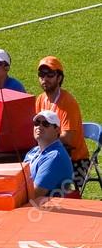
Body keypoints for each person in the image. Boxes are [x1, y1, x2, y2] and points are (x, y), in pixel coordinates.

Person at [36, 56, 89, 188]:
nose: (45, 78)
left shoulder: (68, 103)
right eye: (41, 74)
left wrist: (45, 139)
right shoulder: (40, 99)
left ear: (59, 78)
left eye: (50, 74)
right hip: (47, 153)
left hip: (75, 160)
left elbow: (68, 138)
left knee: (46, 185)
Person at [24, 110, 77, 199]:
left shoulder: (55, 157)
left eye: (45, 124)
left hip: (45, 210)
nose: (39, 127)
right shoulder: (33, 151)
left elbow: (35, 194)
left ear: (57, 130)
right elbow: (20, 179)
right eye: (37, 123)